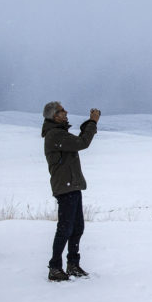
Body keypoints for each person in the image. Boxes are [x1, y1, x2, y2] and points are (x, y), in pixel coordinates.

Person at [41, 101, 100, 281]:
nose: (66, 112)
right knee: (65, 228)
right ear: (54, 116)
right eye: (61, 111)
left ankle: (72, 264)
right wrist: (92, 122)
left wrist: (90, 123)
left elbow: (78, 142)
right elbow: (82, 142)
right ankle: (55, 267)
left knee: (77, 227)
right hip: (65, 187)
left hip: (71, 185)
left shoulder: (59, 133)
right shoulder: (55, 134)